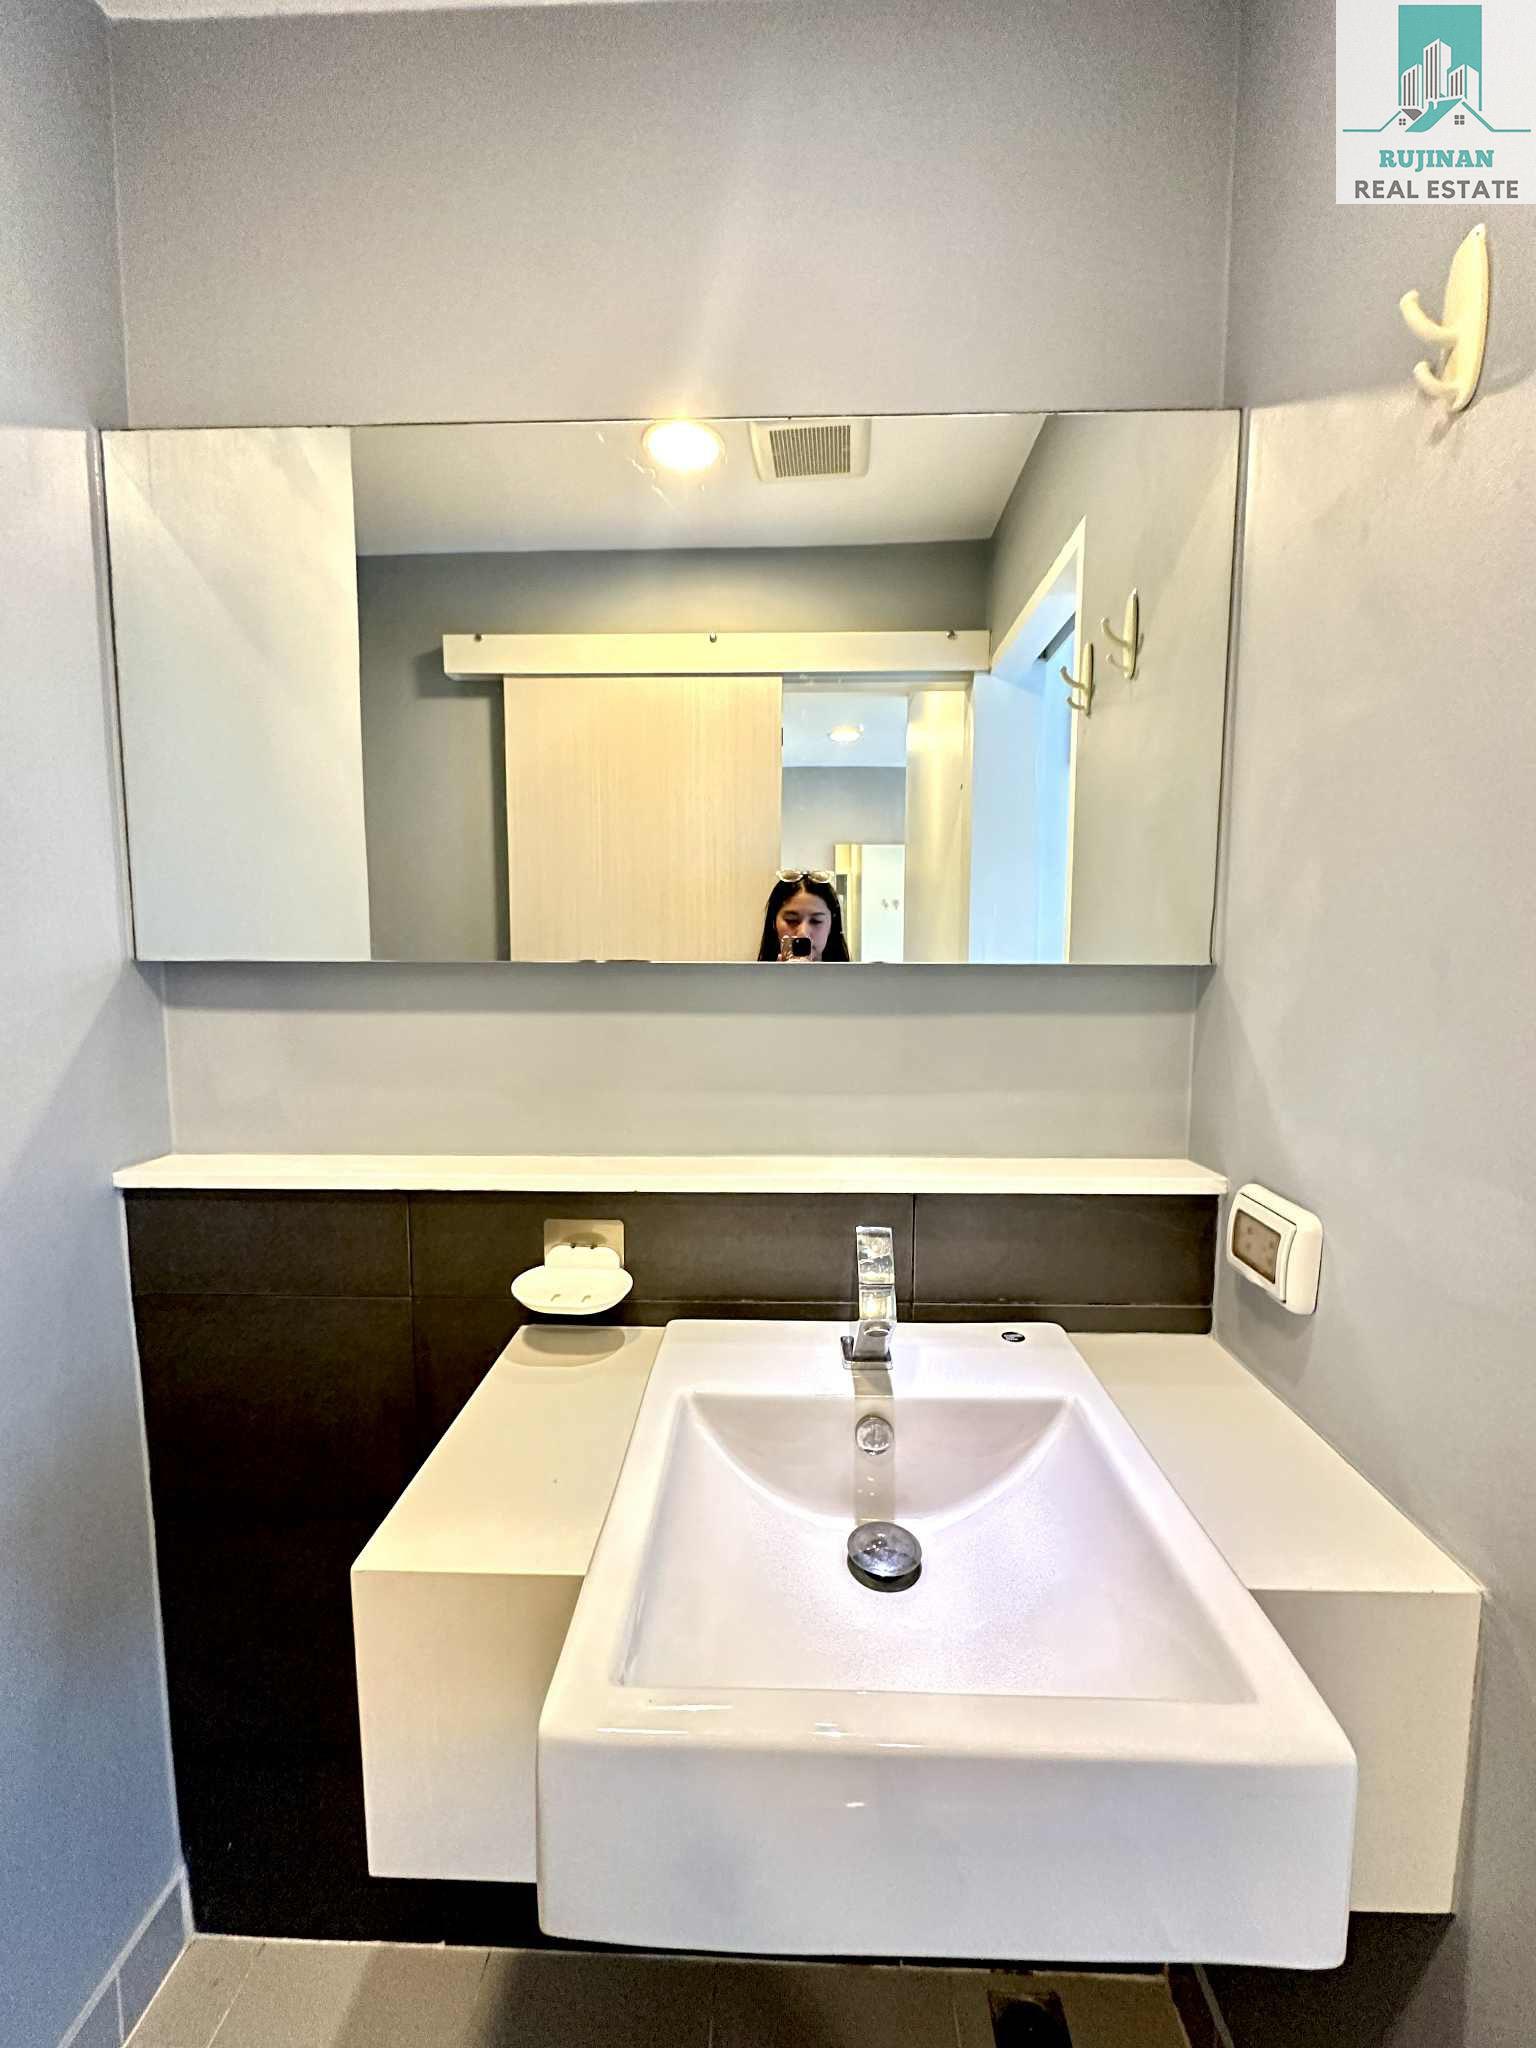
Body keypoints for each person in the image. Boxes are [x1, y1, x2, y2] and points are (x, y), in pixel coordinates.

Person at [757, 870, 851, 962]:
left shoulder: (854, 973)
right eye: (791, 920)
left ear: (832, 925)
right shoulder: (753, 972)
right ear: (774, 923)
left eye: (816, 921)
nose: (803, 933)